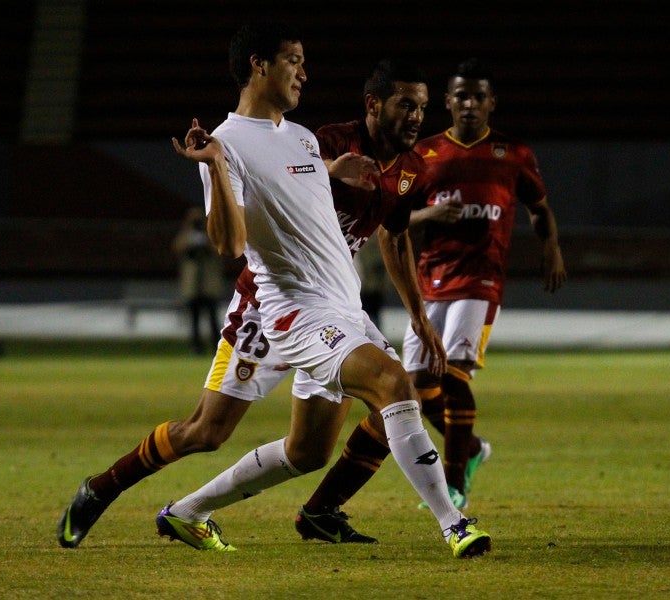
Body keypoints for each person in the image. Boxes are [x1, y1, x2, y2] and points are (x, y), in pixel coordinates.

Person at [58, 23, 490, 559]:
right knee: (210, 429)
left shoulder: (306, 139)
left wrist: (332, 174)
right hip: (275, 310)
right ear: (259, 65)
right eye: (294, 60)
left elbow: (326, 209)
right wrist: (215, 166)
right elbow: (230, 242)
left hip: (339, 308)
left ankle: (194, 512)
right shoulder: (230, 142)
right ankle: (101, 489)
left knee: (310, 450)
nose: (305, 72)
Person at [294, 56, 567, 524]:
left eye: (479, 96)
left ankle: (456, 484)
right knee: (412, 393)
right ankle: (468, 450)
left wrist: (552, 247)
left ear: (491, 103)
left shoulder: (511, 153)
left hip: (480, 281)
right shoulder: (425, 156)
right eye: (461, 95)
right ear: (449, 101)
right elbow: (394, 224)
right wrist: (430, 218)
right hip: (429, 280)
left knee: (455, 375)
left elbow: (539, 206)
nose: (470, 104)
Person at [172, 206, 226, 353]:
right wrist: (190, 233)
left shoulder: (211, 234)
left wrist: (206, 239)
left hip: (209, 285)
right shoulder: (186, 234)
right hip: (193, 286)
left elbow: (220, 249)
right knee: (194, 319)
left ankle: (216, 345)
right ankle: (196, 347)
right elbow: (177, 247)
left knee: (212, 318)